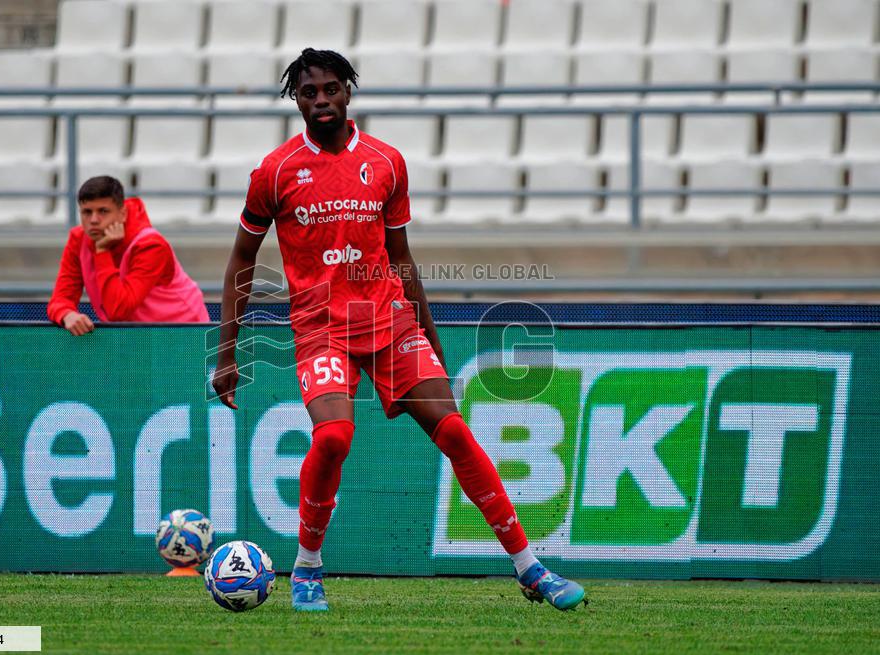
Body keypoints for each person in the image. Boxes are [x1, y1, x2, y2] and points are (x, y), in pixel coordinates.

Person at [211, 49, 585, 612]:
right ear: (297, 99)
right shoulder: (276, 172)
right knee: (334, 437)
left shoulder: (386, 162)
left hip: (389, 322)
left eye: (331, 89)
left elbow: (402, 258)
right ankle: (307, 567)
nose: (321, 101)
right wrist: (227, 354)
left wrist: (431, 339)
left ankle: (531, 570)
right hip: (321, 329)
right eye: (309, 92)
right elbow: (242, 259)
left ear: (348, 93)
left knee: (455, 432)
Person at [47, 176, 210, 333]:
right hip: (137, 338)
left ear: (122, 213)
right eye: (87, 212)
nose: (94, 220)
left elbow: (118, 310)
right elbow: (60, 298)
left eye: (103, 211)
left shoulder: (151, 245)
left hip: (186, 335)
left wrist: (102, 252)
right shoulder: (78, 239)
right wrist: (67, 314)